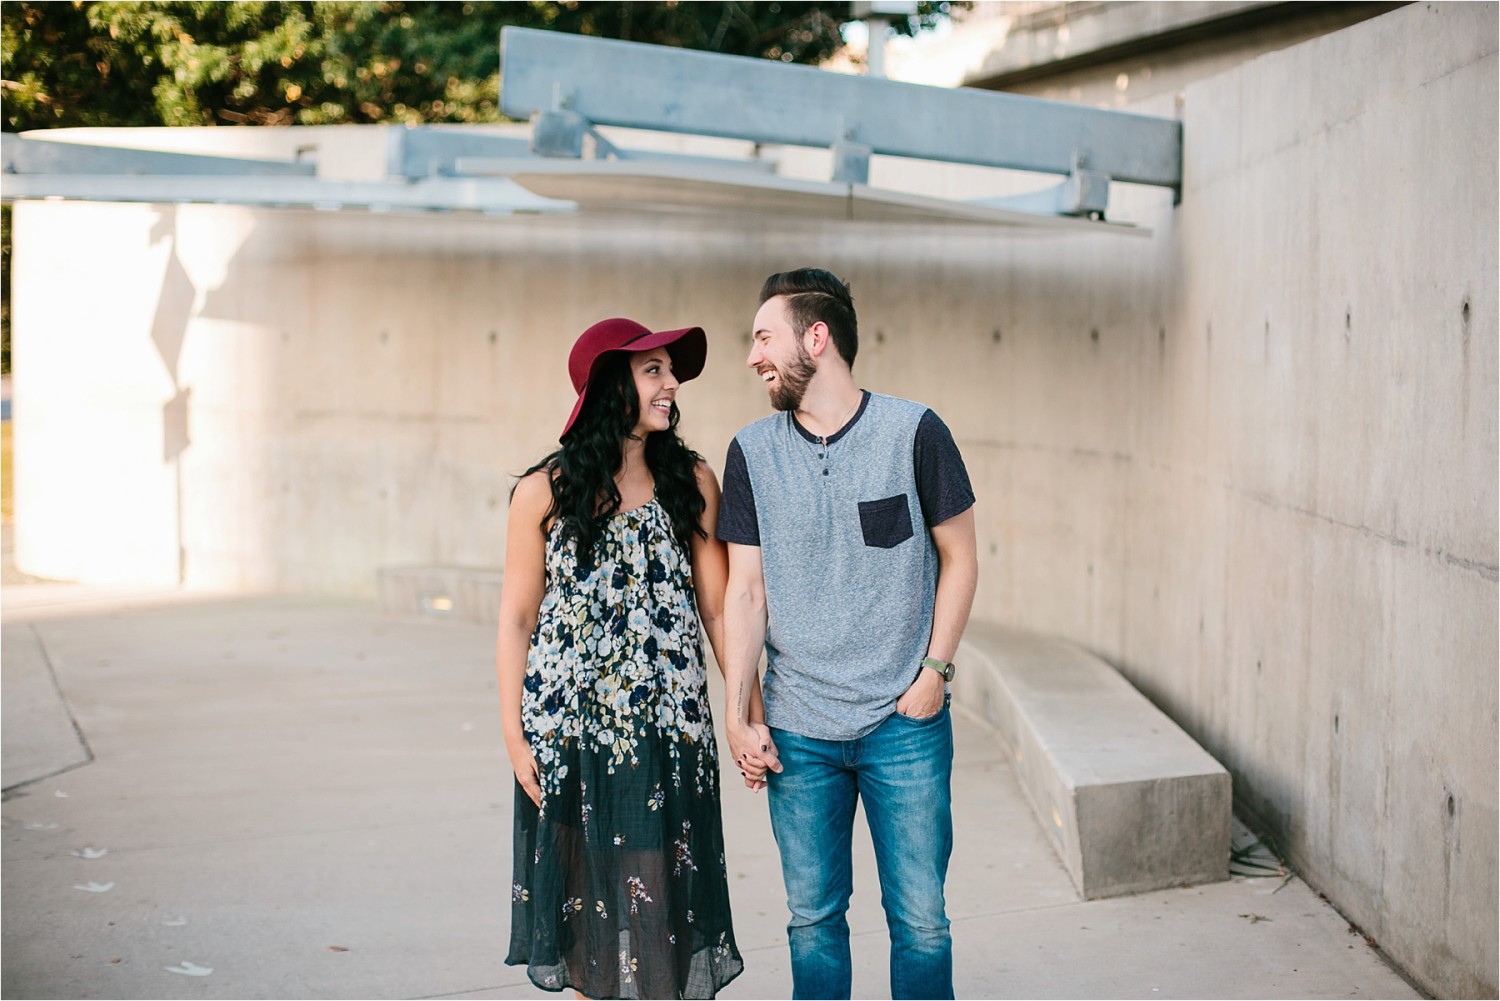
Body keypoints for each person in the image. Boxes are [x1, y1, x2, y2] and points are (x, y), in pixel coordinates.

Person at [717, 269, 979, 1001]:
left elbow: (961, 556)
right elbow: (746, 589)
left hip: (906, 724)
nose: (753, 356)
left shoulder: (915, 431)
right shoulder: (752, 452)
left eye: (764, 336)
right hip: (799, 730)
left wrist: (935, 673)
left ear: (817, 337)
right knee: (813, 921)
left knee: (922, 920)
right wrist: (739, 713)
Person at [498, 317, 751, 1000]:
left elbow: (721, 608)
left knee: (661, 909)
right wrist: (514, 734)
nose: (672, 384)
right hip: (571, 733)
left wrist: (743, 711)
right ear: (614, 385)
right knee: (584, 914)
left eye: (671, 371)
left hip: (667, 730)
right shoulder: (543, 492)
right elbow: (517, 617)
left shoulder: (691, 481)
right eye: (655, 371)